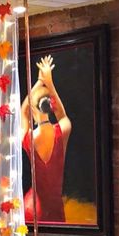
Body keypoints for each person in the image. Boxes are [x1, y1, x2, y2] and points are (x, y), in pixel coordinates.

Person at [20, 54, 71, 223]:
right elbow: (62, 115)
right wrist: (49, 82)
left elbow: (24, 110)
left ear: (33, 111)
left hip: (31, 208)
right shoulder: (62, 130)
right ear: (51, 106)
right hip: (55, 209)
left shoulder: (27, 138)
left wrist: (38, 81)